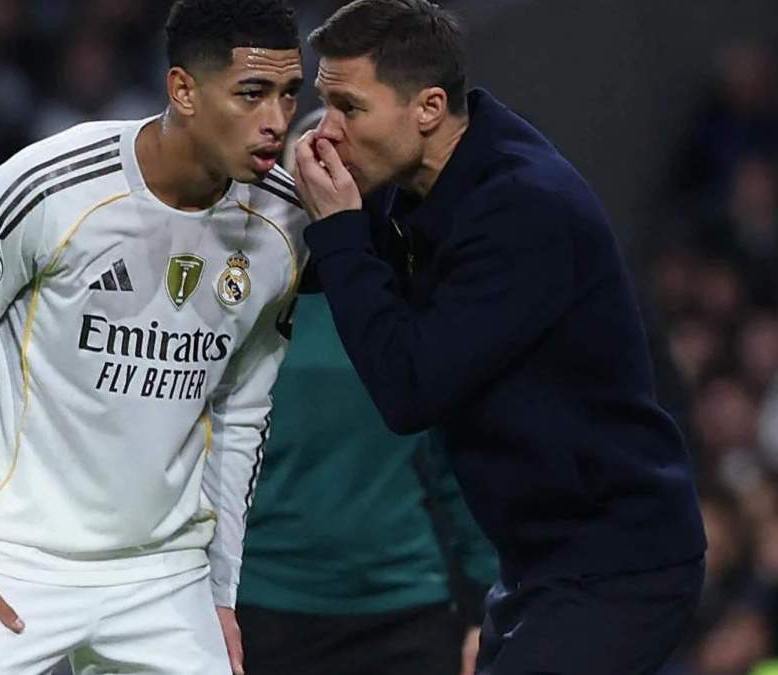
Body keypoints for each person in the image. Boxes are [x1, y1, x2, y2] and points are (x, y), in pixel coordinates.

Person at [291, 2, 707, 673]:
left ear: (427, 108)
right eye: (324, 101)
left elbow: (410, 388)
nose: (328, 131)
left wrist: (338, 230)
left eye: (348, 106)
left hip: (616, 566)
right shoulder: (425, 184)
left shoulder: (522, 208)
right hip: (541, 560)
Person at [0, 2, 307, 674]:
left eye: (291, 95)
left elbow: (241, 413)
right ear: (183, 91)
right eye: (251, 94)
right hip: (8, 562)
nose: (277, 121)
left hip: (165, 575)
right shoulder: (51, 185)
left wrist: (221, 590)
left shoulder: (283, 223)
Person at [236, 109, 498, 675]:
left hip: (406, 611)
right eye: (317, 168)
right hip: (262, 608)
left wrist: (486, 605)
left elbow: (461, 469)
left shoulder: (420, 311)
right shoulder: (239, 312)